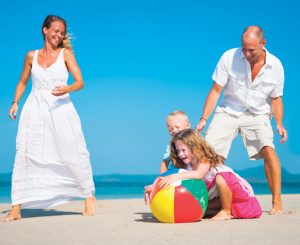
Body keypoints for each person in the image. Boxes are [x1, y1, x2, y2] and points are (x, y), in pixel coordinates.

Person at [1, 15, 96, 222]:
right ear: (45, 30)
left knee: (72, 150)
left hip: (60, 108)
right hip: (34, 109)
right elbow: (22, 82)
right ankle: (17, 207)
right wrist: (15, 101)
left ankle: (88, 195)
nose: (59, 35)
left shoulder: (66, 54)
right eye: (56, 30)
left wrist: (67, 88)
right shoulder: (30, 56)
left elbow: (80, 82)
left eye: (62, 32)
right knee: (25, 154)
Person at [196, 26, 287, 215]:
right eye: (243, 48)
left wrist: (279, 123)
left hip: (258, 113)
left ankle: (277, 202)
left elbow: (276, 98)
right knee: (207, 155)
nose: (246, 53)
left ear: (263, 44)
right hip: (229, 110)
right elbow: (215, 90)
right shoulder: (229, 57)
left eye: (251, 50)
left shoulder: (276, 66)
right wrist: (204, 117)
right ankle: (202, 200)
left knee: (268, 149)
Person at [159, 128, 262, 221]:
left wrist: (174, 177)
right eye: (178, 151)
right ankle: (222, 210)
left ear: (194, 147)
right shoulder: (187, 165)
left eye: (183, 150)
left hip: (234, 191)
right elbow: (172, 175)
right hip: (218, 197)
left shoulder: (204, 159)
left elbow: (198, 174)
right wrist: (155, 186)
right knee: (197, 210)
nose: (180, 154)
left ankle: (225, 211)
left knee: (220, 177)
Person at [144, 110, 191, 204]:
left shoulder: (194, 140)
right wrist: (161, 179)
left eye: (177, 127)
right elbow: (165, 162)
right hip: (174, 172)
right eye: (170, 129)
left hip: (188, 173)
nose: (173, 130)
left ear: (187, 125)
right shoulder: (171, 144)